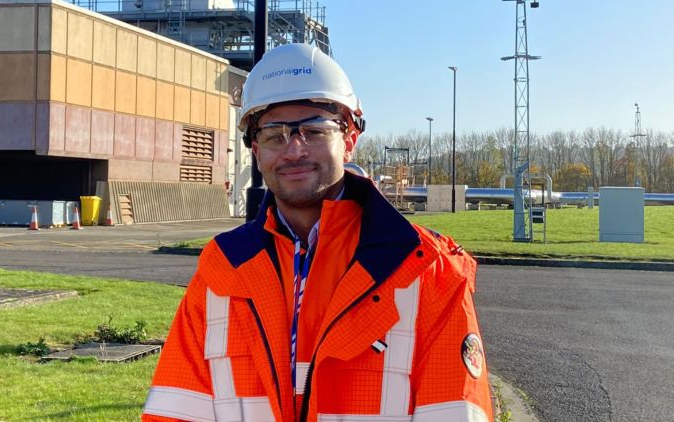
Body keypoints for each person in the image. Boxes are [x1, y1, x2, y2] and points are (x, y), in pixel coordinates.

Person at [142, 43, 493, 422]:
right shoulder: (221, 270)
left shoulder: (427, 272)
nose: (294, 150)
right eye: (274, 134)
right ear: (255, 151)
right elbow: (175, 411)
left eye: (313, 129)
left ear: (349, 139)